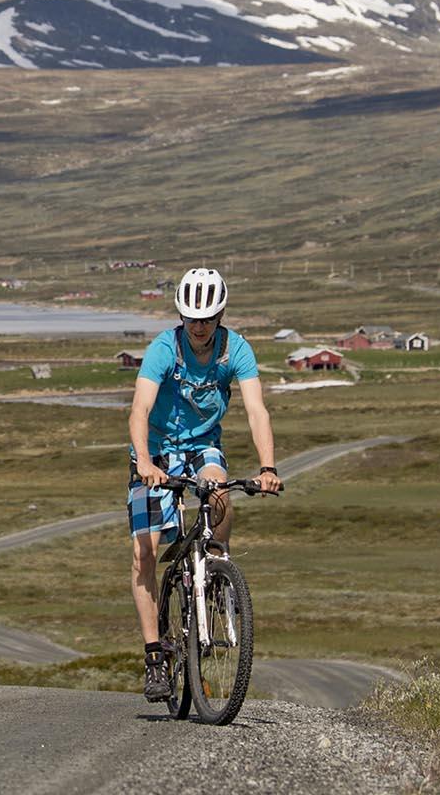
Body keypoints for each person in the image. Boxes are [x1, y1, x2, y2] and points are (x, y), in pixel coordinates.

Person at [126, 268, 281, 701]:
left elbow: (256, 410)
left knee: (220, 490)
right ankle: (155, 654)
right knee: (145, 552)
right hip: (154, 451)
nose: (199, 327)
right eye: (192, 318)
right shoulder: (164, 349)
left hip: (203, 446)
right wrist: (144, 462)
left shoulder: (237, 350)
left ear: (220, 316)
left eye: (208, 319)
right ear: (181, 316)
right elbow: (140, 409)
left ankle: (216, 565)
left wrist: (267, 467)